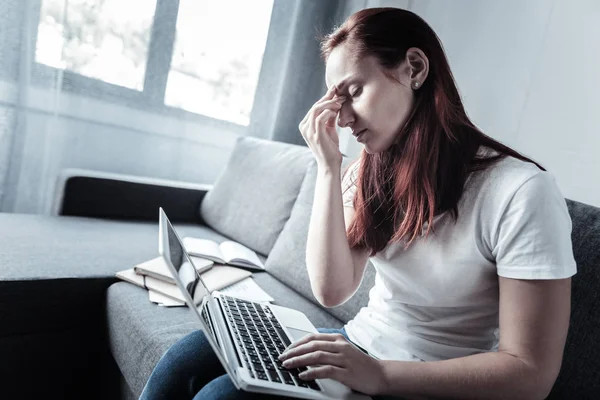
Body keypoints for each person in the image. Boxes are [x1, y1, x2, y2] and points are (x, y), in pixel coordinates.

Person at [140, 7, 576, 400]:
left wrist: (381, 375)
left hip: (421, 379)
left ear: (414, 68)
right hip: (359, 344)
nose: (344, 118)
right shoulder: (369, 171)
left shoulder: (521, 192)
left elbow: (530, 374)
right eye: (336, 100)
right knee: (190, 354)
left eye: (353, 91)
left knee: (220, 397)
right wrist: (329, 170)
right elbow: (332, 289)